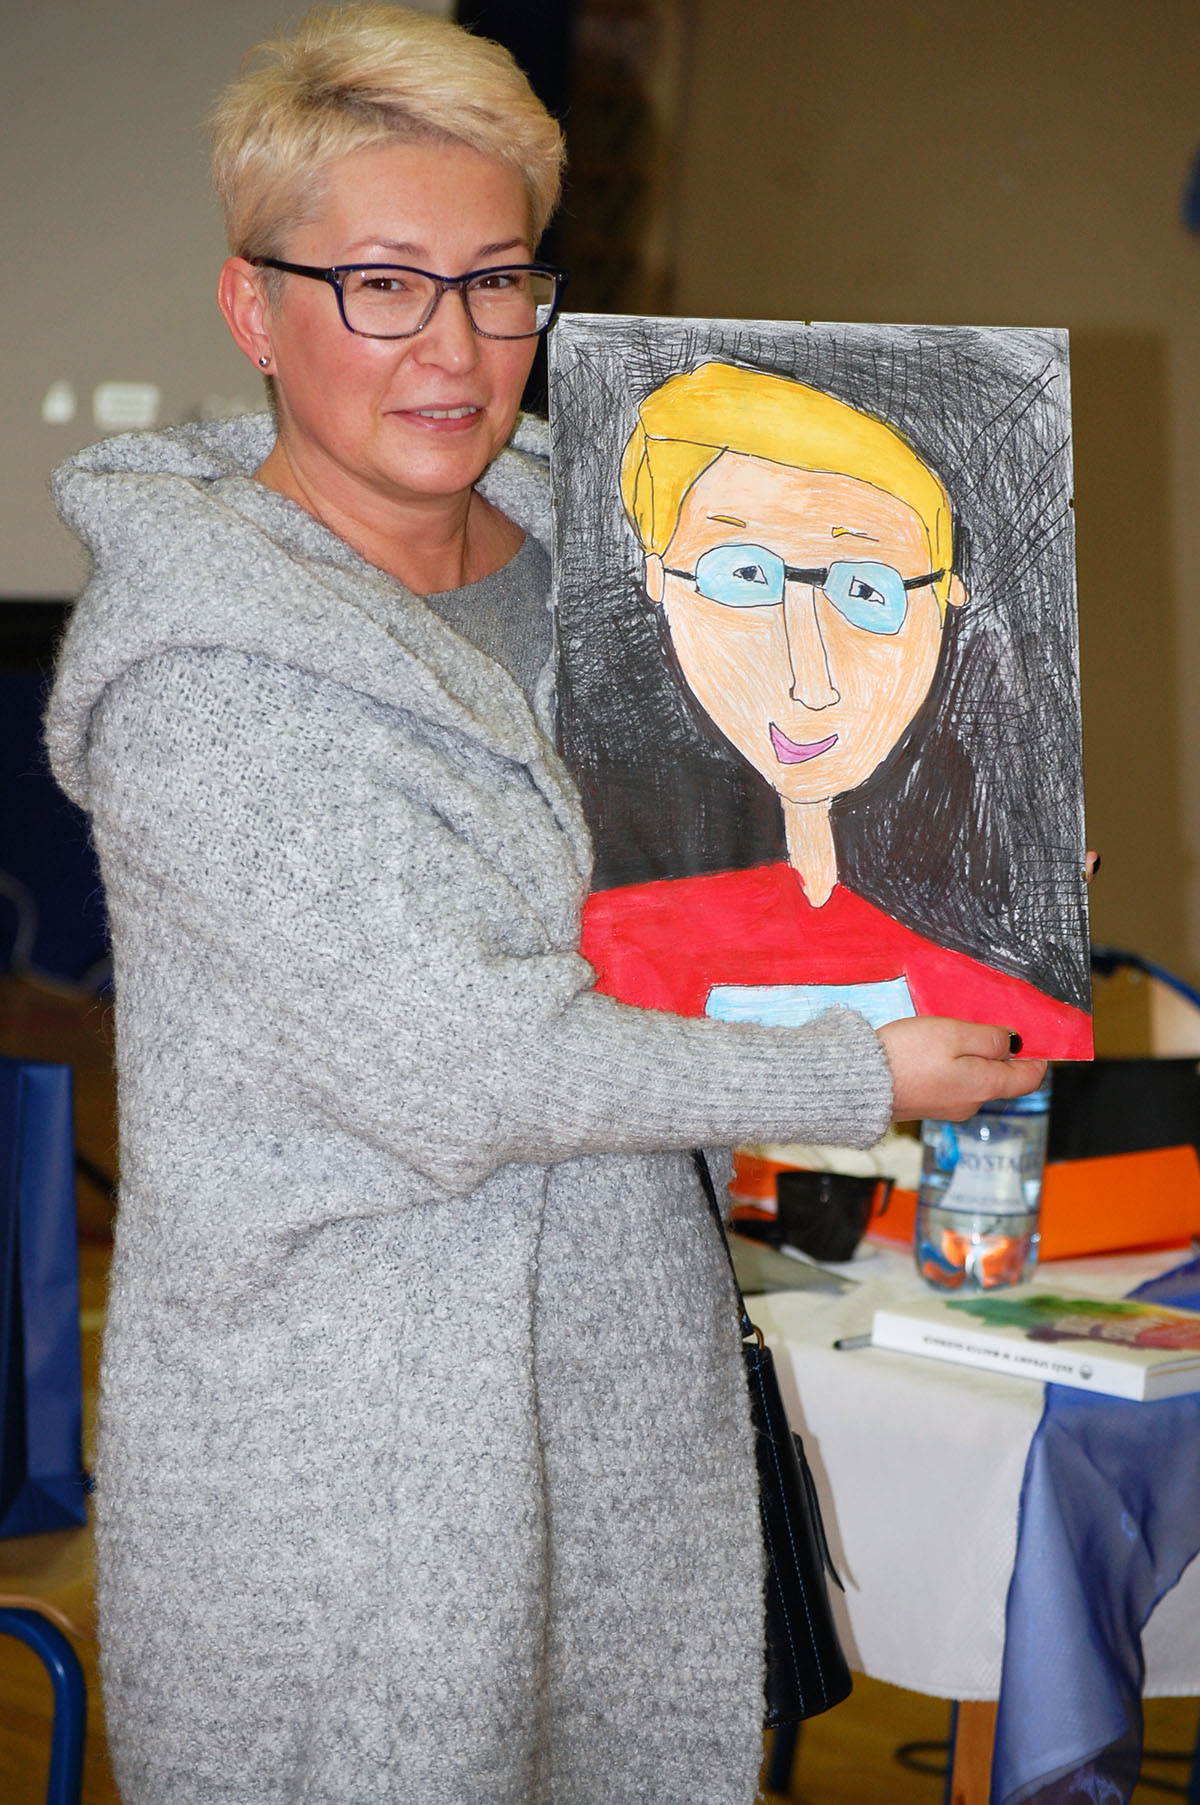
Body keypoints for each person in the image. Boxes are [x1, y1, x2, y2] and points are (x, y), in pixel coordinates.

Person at [44, 9, 1045, 1803]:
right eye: (382, 285)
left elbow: (728, 888)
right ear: (253, 309)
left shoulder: (628, 572)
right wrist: (859, 1068)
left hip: (621, 1396)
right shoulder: (205, 679)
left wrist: (954, 881)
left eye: (499, 280)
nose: (456, 348)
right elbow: (469, 1059)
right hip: (352, 1469)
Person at [582, 360, 1093, 1059]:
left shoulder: (1006, 997)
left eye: (867, 591)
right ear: (657, 581)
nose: (809, 678)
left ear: (949, 598)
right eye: (744, 575)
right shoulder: (603, 954)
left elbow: (1027, 1082)